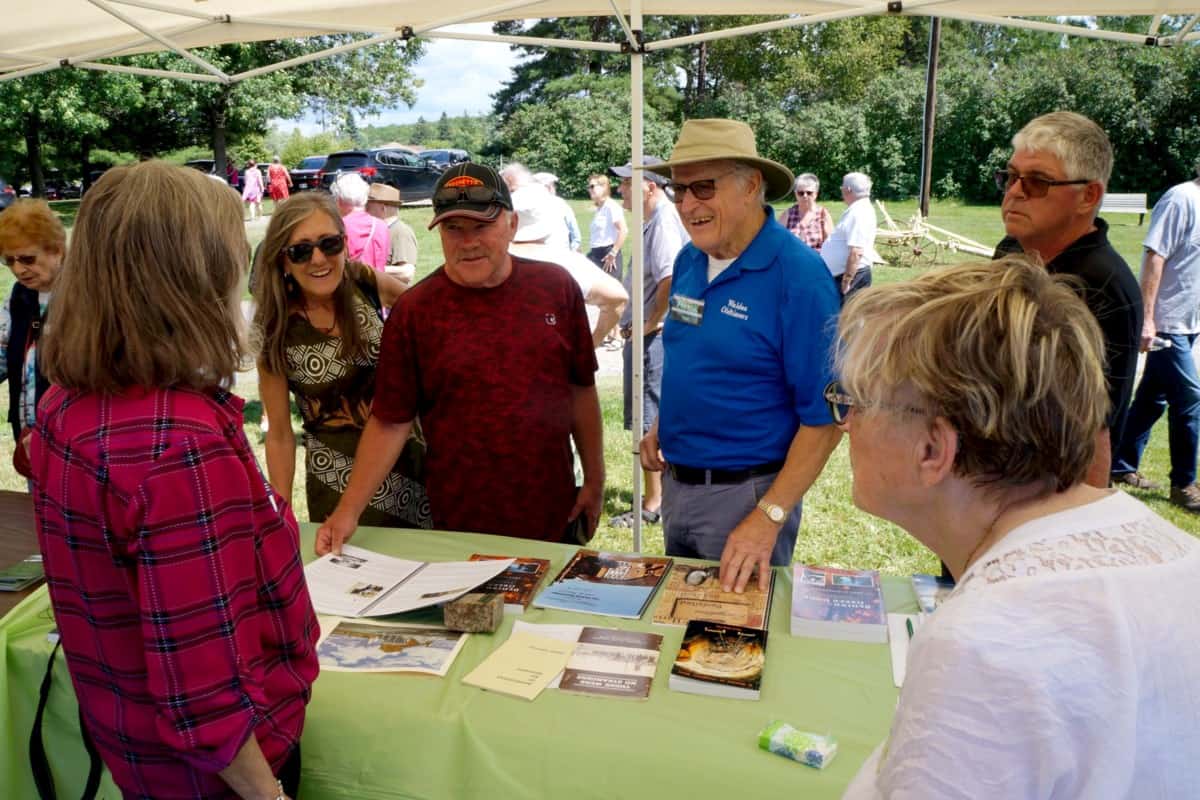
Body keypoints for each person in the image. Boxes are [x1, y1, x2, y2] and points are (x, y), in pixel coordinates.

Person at [837, 257, 1200, 798]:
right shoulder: (1176, 553)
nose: (845, 422)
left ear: (933, 448)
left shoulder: (982, 647)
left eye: (856, 402)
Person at [32, 161, 318, 800]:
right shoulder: (177, 447)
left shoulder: (68, 403)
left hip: (134, 741)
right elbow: (203, 697)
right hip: (214, 775)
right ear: (192, 279)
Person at [315, 163, 603, 554]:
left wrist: (595, 480)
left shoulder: (555, 288)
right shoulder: (416, 312)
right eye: (454, 228)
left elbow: (580, 390)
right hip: (459, 522)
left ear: (512, 224)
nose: (467, 242)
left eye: (481, 226)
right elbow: (390, 422)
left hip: (552, 511)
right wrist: (347, 511)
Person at [639, 119, 842, 592]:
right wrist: (662, 423)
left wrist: (768, 515)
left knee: (730, 647)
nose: (688, 204)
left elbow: (826, 420)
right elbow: (695, 355)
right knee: (683, 631)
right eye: (679, 189)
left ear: (751, 186)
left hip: (747, 496)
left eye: (703, 188)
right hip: (678, 485)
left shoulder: (799, 277)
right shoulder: (691, 260)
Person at [253, 191, 431, 529]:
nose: (318, 259)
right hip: (337, 479)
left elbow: (424, 315)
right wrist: (282, 513)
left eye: (329, 244)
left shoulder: (362, 281)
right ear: (283, 261)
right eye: (301, 251)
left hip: (408, 464)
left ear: (344, 244)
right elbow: (278, 434)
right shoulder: (274, 328)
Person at [994, 111, 1141, 487]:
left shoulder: (1102, 286)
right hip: (994, 468)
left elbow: (1094, 429)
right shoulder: (1012, 249)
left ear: (1088, 195)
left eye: (1038, 182)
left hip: (1050, 485)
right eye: (1011, 177)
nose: (1014, 192)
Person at [1112, 157, 1200, 512]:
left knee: (1153, 397)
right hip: (1167, 323)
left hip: (1191, 322)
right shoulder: (1181, 199)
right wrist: (1147, 319)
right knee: (1191, 399)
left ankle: (1120, 465)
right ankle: (1184, 484)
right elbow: (1154, 256)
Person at [608, 156, 689, 527]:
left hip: (653, 339)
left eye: (627, 182)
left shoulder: (663, 221)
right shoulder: (655, 220)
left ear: (650, 187)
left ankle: (654, 503)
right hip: (648, 334)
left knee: (649, 417)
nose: (620, 188)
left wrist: (650, 323)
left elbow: (670, 277)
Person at [508, 184, 628, 347]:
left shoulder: (487, 259)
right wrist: (592, 343)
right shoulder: (565, 260)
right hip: (549, 358)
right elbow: (617, 297)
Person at [0, 199, 64, 479]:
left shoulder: (90, 297)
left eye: (27, 259)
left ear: (57, 250)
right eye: (8, 261)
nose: (17, 269)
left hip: (76, 444)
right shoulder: (18, 298)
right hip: (30, 442)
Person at [820, 172, 877, 303]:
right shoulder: (857, 209)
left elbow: (856, 251)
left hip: (853, 276)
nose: (841, 190)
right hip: (848, 274)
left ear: (848, 190)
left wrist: (847, 279)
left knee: (846, 317)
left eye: (842, 187)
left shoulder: (859, 212)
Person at [332, 172, 390, 271]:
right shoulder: (381, 226)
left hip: (350, 285)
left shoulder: (338, 227)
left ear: (339, 200)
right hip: (378, 284)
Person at [365, 182, 419, 285]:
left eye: (368, 205)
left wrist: (369, 270)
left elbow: (406, 273)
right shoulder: (379, 230)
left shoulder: (401, 232)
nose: (365, 209)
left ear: (383, 208)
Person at [586, 173, 628, 276]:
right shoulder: (600, 208)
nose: (589, 189)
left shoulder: (611, 206)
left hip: (608, 256)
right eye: (588, 187)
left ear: (603, 187)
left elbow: (623, 230)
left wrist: (613, 253)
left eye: (592, 186)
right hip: (595, 255)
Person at [778, 173, 833, 250]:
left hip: (816, 259)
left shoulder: (823, 214)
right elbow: (777, 241)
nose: (805, 196)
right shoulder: (787, 214)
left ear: (816, 194)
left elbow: (830, 244)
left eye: (809, 193)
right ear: (795, 194)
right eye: (801, 193)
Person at [533, 171, 583, 251]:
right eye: (553, 185)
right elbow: (575, 234)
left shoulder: (532, 205)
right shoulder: (560, 203)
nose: (555, 188)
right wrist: (574, 251)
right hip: (561, 252)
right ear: (548, 187)